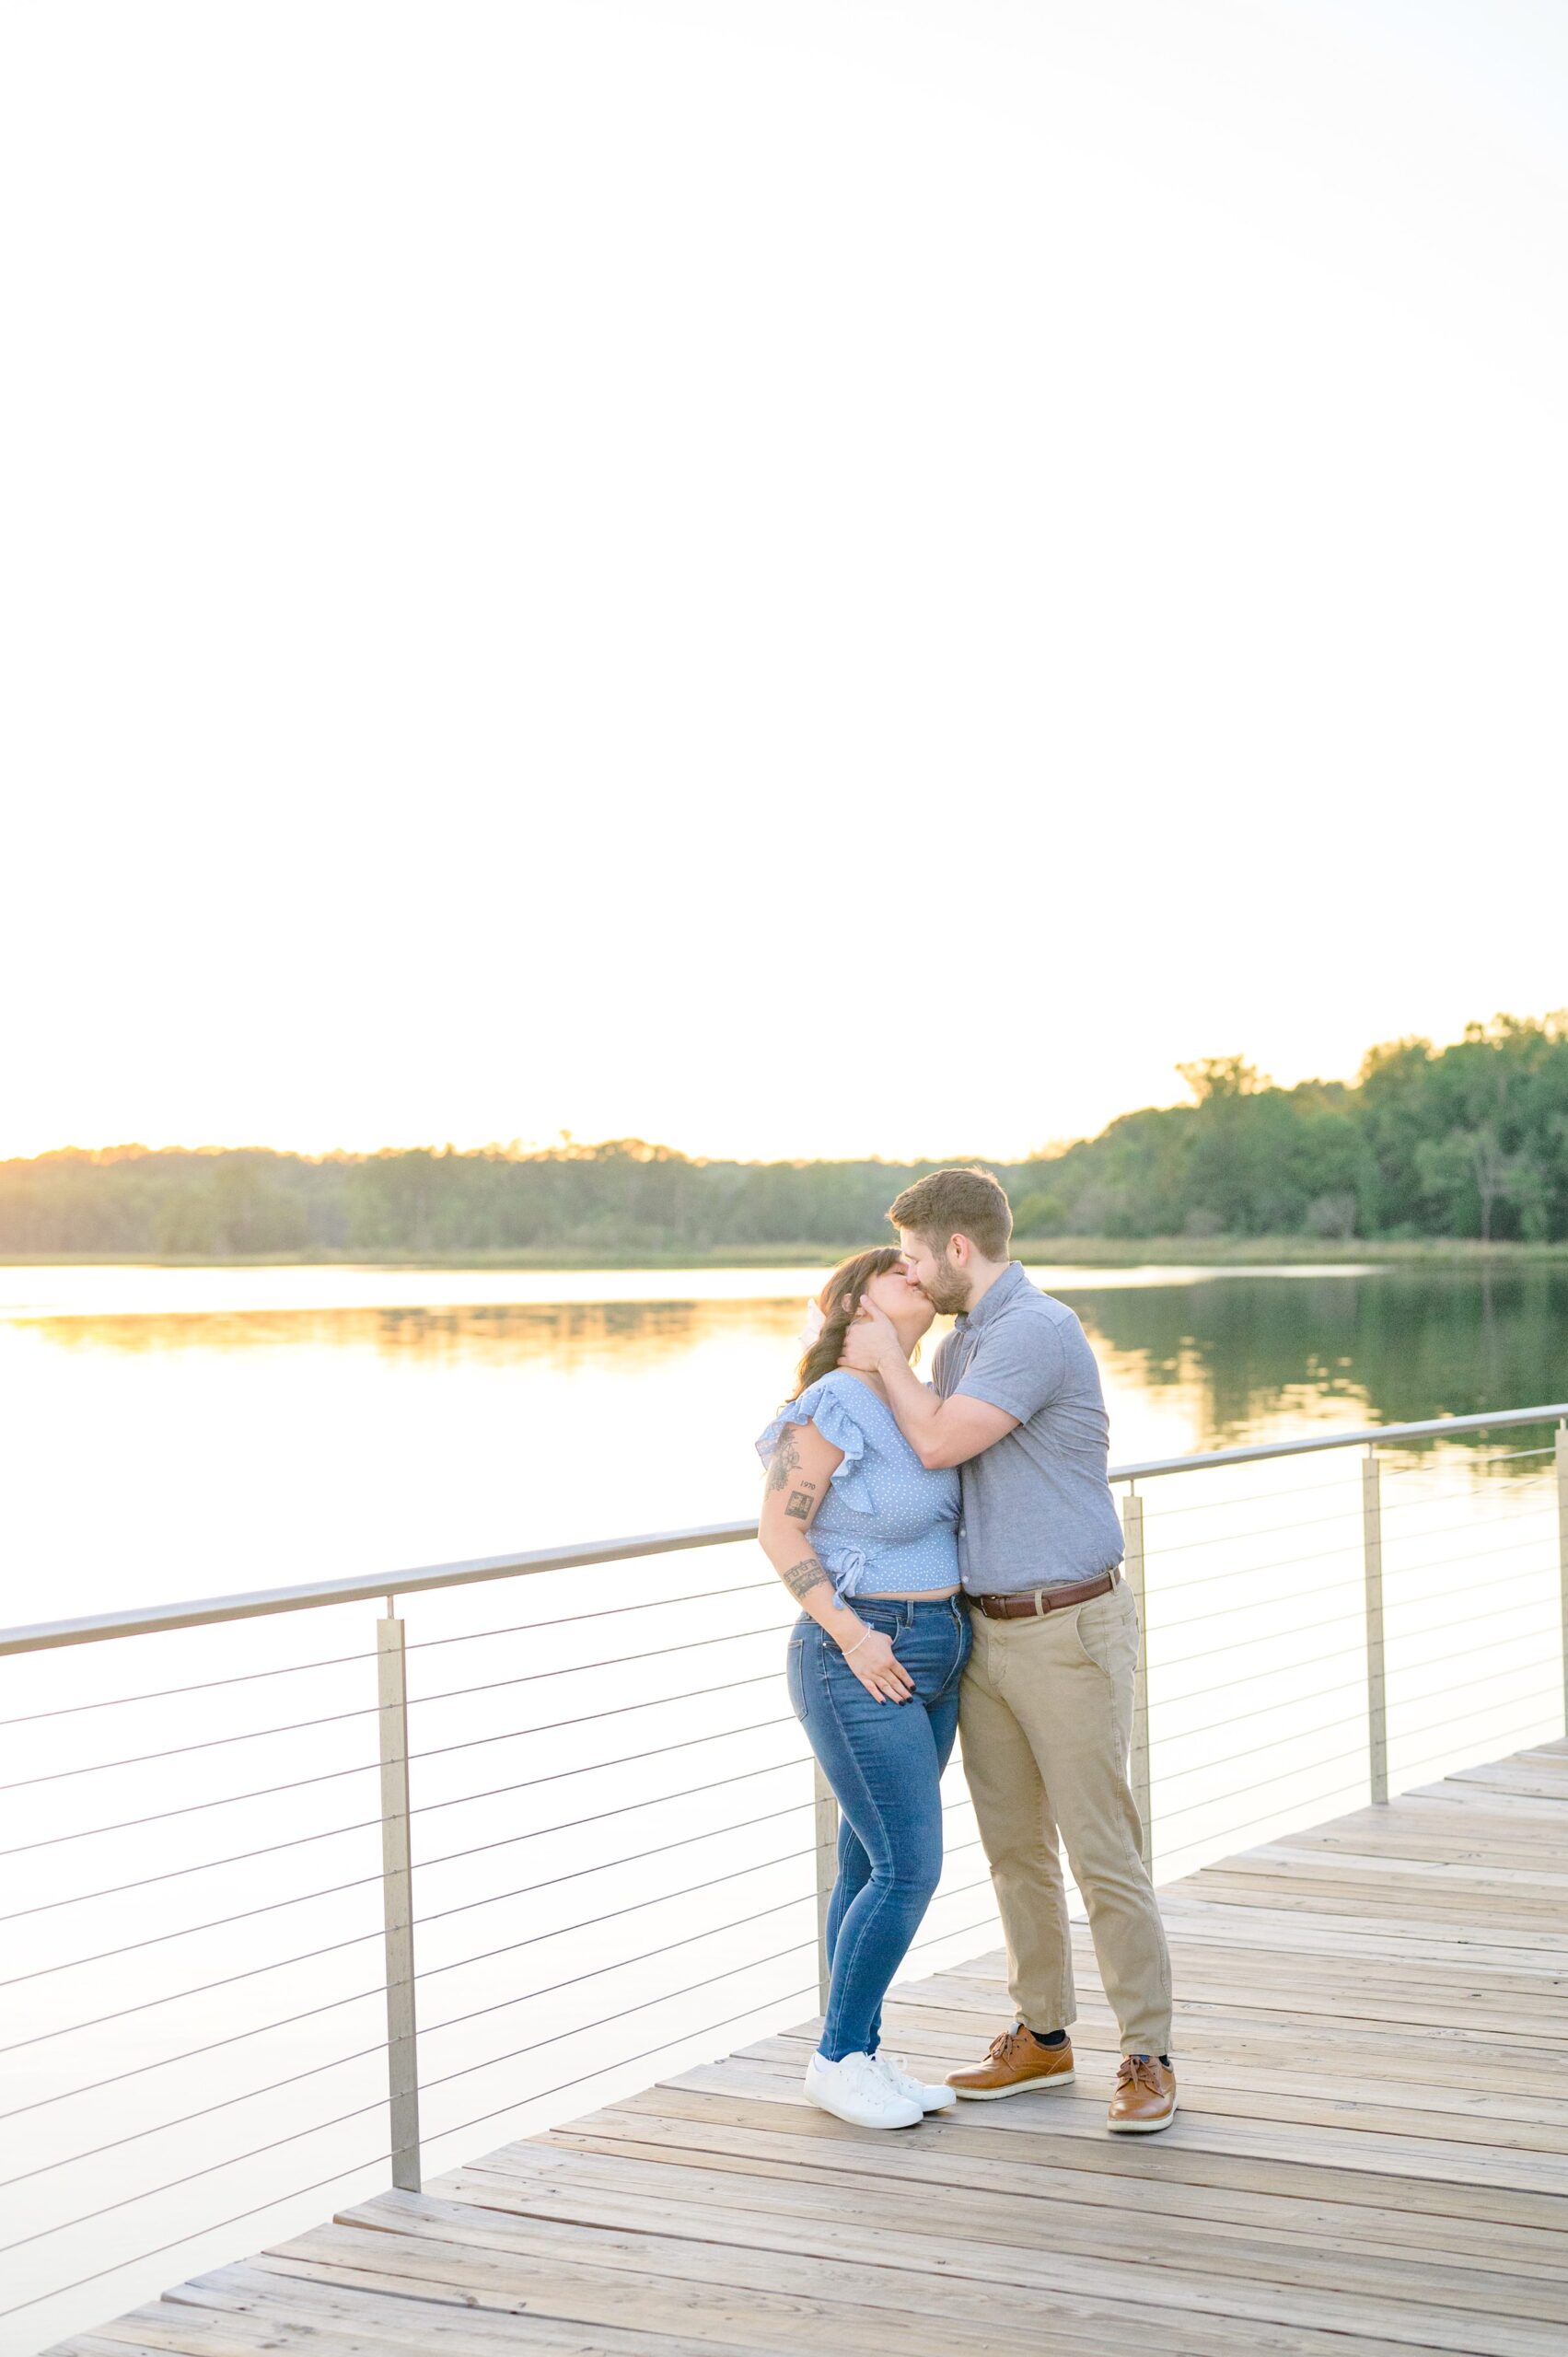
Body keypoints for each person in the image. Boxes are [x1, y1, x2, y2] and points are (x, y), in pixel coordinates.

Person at [840, 1167, 1177, 2133]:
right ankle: (1041, 2035)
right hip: (984, 1627)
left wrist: (882, 1356)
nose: (907, 1271)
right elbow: (919, 1459)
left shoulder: (1033, 1331)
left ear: (956, 1249)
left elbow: (942, 1443)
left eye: (911, 1255)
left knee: (1099, 1848)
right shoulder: (958, 1345)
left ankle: (1146, 2053)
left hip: (1067, 1625)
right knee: (1013, 1849)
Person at [756, 1246, 970, 2131]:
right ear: (850, 1306)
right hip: (863, 1653)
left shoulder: (914, 1403)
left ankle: (865, 2054)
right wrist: (852, 1636)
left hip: (939, 1650)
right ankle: (836, 2058)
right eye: (895, 1272)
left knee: (866, 1861)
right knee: (908, 1865)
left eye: (920, 1271)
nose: (915, 1277)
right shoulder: (837, 1399)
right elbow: (777, 1528)